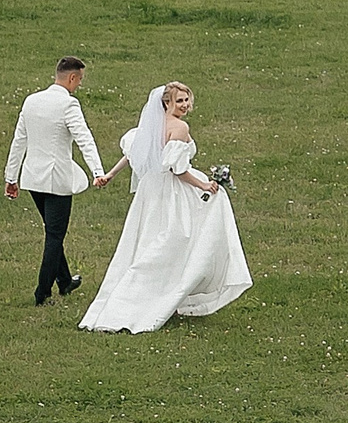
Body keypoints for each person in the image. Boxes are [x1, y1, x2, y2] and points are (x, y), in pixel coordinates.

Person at [80, 81, 252, 334]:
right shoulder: (180, 128)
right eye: (178, 101)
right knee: (173, 239)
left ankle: (151, 293)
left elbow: (134, 154)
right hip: (170, 191)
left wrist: (109, 175)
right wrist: (203, 185)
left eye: (185, 100)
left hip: (150, 192)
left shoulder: (151, 126)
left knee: (148, 240)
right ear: (166, 103)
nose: (184, 105)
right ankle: (166, 290)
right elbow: (177, 169)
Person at [5, 57, 110, 305]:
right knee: (55, 235)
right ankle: (42, 292)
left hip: (33, 178)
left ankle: (64, 281)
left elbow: (19, 140)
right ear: (72, 78)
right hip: (57, 179)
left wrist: (11, 177)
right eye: (80, 79)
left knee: (52, 231)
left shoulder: (32, 101)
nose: (79, 85)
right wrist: (97, 171)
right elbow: (84, 138)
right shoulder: (68, 105)